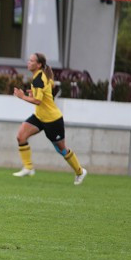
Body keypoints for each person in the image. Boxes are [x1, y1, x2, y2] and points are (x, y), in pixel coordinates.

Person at [12, 52, 87, 185]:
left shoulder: (39, 79)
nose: (28, 63)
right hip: (40, 117)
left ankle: (80, 171)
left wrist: (22, 96)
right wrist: (33, 92)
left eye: (31, 61)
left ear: (39, 64)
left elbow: (38, 101)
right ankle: (28, 167)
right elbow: (49, 88)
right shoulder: (40, 76)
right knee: (21, 136)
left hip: (53, 120)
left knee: (61, 149)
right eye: (29, 60)